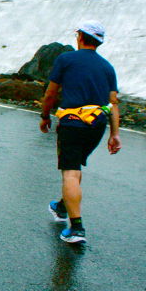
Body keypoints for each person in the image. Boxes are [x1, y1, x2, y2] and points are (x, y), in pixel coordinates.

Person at [40, 21, 122, 244]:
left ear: (81, 37)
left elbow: (50, 93)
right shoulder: (107, 67)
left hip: (73, 122)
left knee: (70, 172)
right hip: (97, 124)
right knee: (75, 168)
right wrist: (115, 134)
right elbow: (113, 103)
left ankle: (76, 228)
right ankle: (61, 206)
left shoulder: (66, 59)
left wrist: (45, 116)